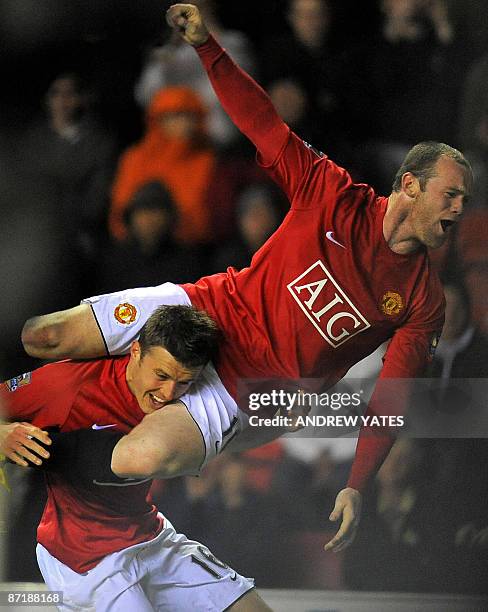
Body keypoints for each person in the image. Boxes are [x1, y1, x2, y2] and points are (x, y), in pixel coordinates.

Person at [21, 3, 473, 553]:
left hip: (254, 392)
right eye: (450, 195)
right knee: (43, 337)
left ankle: (42, 446)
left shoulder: (422, 301)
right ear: (409, 186)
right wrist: (208, 47)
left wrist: (357, 484)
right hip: (208, 310)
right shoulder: (332, 194)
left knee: (138, 457)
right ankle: (28, 410)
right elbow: (263, 124)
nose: (458, 209)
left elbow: (392, 399)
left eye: (464, 200)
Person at [0, 305, 271, 611]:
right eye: (161, 375)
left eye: (184, 382)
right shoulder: (67, 385)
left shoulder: (199, 395)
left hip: (150, 535)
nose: (169, 393)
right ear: (135, 351)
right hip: (85, 559)